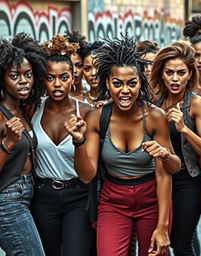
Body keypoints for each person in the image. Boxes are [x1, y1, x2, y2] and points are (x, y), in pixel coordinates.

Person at [65, 36, 181, 256]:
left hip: (152, 199)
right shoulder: (97, 117)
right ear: (108, 83)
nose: (125, 91)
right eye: (117, 83)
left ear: (140, 83)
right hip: (113, 200)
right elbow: (87, 176)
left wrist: (163, 227)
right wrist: (79, 141)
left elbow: (169, 172)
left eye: (132, 83)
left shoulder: (155, 117)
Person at [150, 41, 201, 256]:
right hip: (158, 179)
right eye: (169, 72)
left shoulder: (196, 104)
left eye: (181, 72)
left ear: (190, 73)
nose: (175, 78)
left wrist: (184, 129)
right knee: (158, 241)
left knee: (181, 242)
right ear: (161, 74)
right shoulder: (155, 102)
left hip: (187, 181)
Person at [30, 34, 93, 256]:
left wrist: (79, 140)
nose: (57, 84)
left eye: (64, 77)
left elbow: (87, 176)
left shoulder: (87, 112)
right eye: (50, 78)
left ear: (74, 77)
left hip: (77, 195)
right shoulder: (33, 109)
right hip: (42, 195)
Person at [0, 32, 46, 255]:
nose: (23, 81)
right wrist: (8, 141)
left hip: (27, 195)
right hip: (7, 201)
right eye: (14, 76)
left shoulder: (22, 110)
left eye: (28, 74)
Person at [65, 31, 88, 101]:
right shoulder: (55, 95)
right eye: (70, 66)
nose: (74, 71)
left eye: (79, 65)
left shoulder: (92, 93)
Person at [82, 40, 104, 105]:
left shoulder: (114, 99)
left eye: (98, 67)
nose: (93, 73)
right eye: (87, 69)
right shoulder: (79, 101)